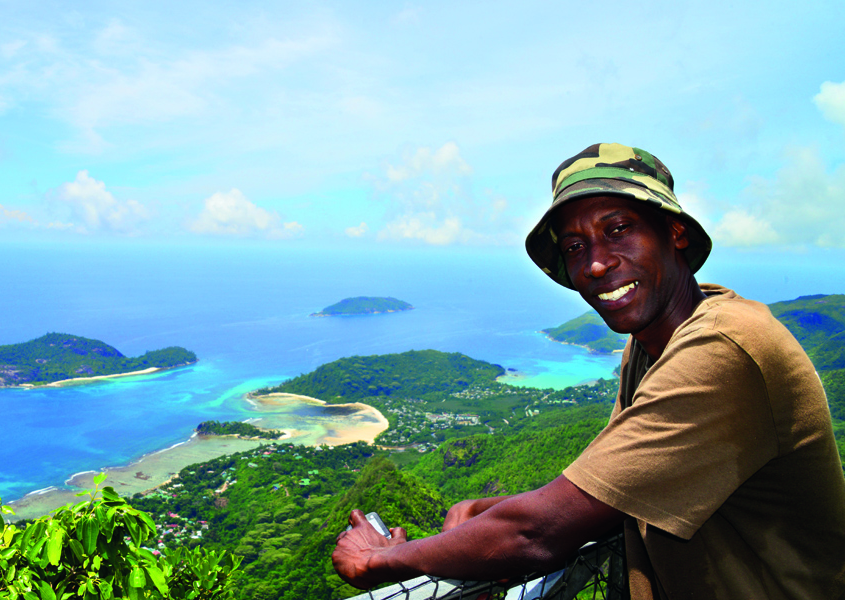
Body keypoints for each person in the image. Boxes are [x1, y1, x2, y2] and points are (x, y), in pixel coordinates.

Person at [332, 143, 845, 599]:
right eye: (576, 248)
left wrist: (380, 559)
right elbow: (607, 487)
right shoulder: (650, 345)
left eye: (618, 229)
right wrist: (482, 512)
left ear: (675, 232)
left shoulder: (722, 349)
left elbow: (539, 534)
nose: (596, 264)